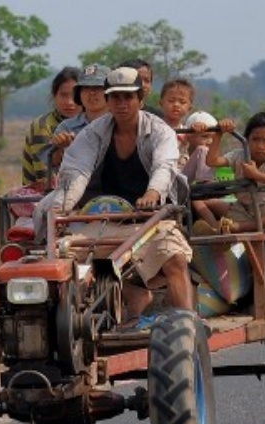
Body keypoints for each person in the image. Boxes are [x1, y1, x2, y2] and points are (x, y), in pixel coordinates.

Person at [37, 66, 192, 324]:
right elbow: (76, 173)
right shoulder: (92, 133)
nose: (121, 104)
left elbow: (165, 166)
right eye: (115, 97)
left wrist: (153, 193)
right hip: (101, 219)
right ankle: (72, 326)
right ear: (108, 101)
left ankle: (189, 324)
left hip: (148, 220)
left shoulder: (160, 131)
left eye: (128, 97)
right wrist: (61, 207)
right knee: (60, 257)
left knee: (174, 256)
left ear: (140, 100)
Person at [199, 111, 265, 233]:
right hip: (243, 208)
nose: (260, 146)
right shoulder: (238, 155)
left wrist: (255, 175)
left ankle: (241, 227)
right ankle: (216, 229)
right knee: (202, 201)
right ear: (246, 139)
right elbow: (212, 162)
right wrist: (219, 134)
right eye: (255, 139)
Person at [43, 64, 110, 178]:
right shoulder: (66, 127)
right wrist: (60, 148)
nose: (91, 93)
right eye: (86, 88)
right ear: (79, 94)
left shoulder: (121, 123)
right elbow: (53, 166)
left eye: (98, 88)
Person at [22, 67, 81, 188]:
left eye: (76, 95)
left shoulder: (90, 122)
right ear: (54, 96)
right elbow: (44, 178)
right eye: (64, 95)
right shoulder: (43, 126)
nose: (70, 102)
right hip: (42, 197)